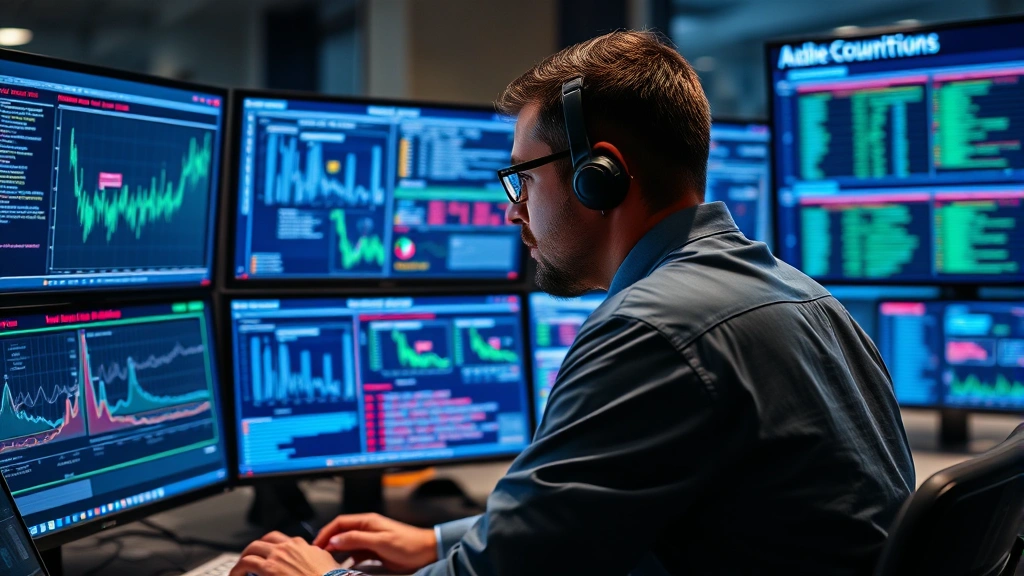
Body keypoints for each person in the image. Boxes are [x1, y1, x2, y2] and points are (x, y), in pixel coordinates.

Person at [229, 30, 915, 576]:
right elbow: (603, 507)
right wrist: (438, 539)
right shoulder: (805, 297)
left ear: (600, 176)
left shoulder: (651, 330)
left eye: (520, 179)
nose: (513, 212)